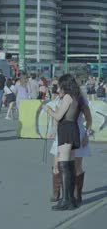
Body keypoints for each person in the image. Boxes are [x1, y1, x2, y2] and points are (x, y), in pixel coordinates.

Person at [43, 74, 83, 211]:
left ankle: (65, 200)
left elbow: (59, 116)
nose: (58, 87)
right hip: (73, 129)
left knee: (63, 165)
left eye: (60, 85)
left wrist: (48, 110)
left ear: (64, 85)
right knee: (70, 165)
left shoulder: (67, 97)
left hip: (66, 129)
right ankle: (71, 199)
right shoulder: (78, 96)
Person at [48, 82, 92, 207]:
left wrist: (86, 135)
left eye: (60, 87)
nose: (57, 89)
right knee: (57, 165)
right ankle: (57, 192)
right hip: (62, 132)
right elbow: (57, 117)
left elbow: (89, 119)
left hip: (76, 132)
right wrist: (52, 130)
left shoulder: (80, 99)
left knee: (76, 166)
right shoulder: (59, 98)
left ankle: (75, 195)